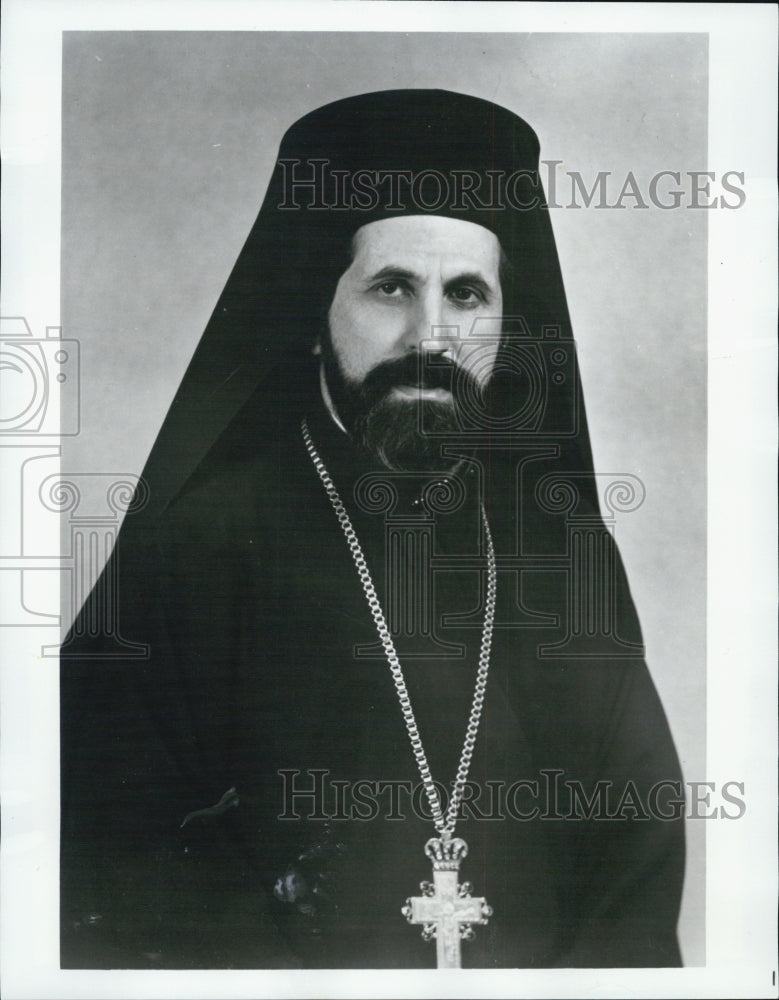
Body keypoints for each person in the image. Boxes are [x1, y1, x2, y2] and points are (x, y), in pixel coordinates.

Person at [60, 89, 685, 970]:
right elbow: (109, 852)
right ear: (315, 320)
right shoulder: (191, 550)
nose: (430, 335)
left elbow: (635, 852)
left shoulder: (562, 557)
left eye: (465, 294)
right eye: (391, 288)